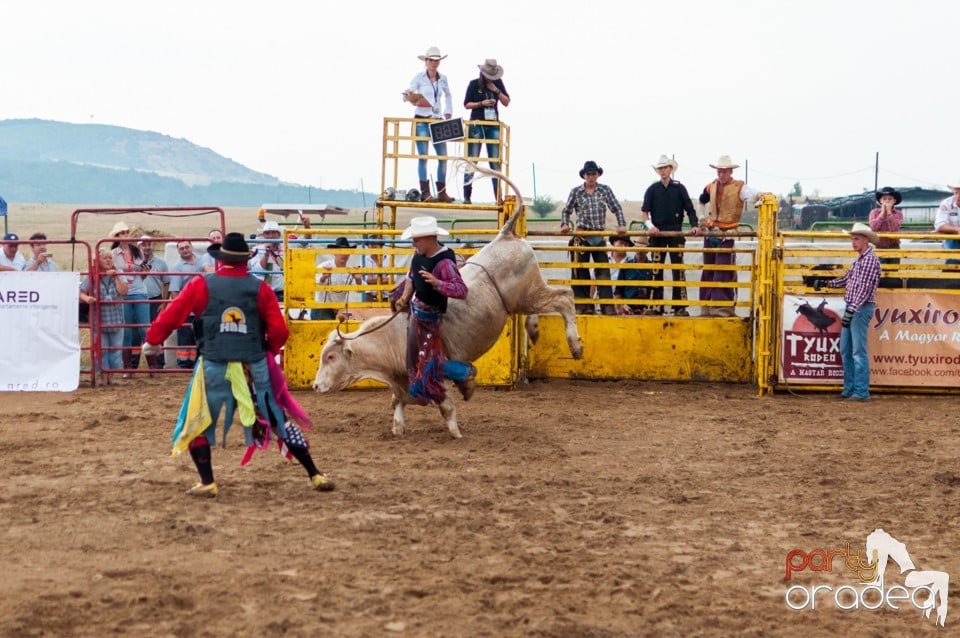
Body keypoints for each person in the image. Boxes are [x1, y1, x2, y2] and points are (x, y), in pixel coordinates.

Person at [141, 232, 335, 496]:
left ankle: (208, 481)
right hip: (252, 366)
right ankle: (315, 473)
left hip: (213, 363)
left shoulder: (201, 285)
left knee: (195, 421)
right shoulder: (261, 288)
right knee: (278, 419)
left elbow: (172, 315)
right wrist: (268, 348)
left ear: (220, 259)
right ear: (246, 260)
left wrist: (152, 340)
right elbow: (280, 331)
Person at [394, 216, 477, 403]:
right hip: (417, 313)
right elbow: (411, 276)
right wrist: (404, 298)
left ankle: (464, 372)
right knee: (417, 359)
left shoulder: (444, 263)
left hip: (430, 318)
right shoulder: (419, 255)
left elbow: (461, 290)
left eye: (417, 239)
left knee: (428, 363)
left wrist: (437, 283)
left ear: (430, 238)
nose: (414, 243)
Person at [815, 223, 881, 401]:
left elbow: (864, 289)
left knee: (856, 351)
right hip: (855, 307)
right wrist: (826, 283)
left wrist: (851, 311)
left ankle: (860, 391)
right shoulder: (861, 260)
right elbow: (847, 279)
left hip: (858, 307)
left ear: (866, 240)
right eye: (852, 239)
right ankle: (852, 388)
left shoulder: (869, 260)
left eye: (857, 239)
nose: (853, 242)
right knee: (848, 350)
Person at [697, 155, 766, 316]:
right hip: (712, 232)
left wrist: (761, 195)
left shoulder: (739, 187)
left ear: (730, 171)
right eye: (719, 171)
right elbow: (701, 200)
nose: (720, 174)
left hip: (727, 233)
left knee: (723, 271)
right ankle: (707, 308)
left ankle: (723, 309)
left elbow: (753, 194)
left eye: (723, 171)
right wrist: (702, 218)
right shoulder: (711, 186)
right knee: (709, 271)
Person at [560, 160, 627, 315]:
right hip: (582, 235)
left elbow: (616, 207)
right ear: (584, 176)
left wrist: (622, 224)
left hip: (598, 234)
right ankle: (583, 305)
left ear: (598, 175)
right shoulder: (576, 192)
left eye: (593, 174)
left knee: (603, 270)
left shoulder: (604, 190)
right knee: (580, 271)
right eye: (588, 174)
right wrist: (564, 224)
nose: (591, 177)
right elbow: (566, 210)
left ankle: (606, 306)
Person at [641, 155, 700, 316]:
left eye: (666, 168)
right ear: (658, 171)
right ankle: (655, 306)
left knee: (678, 269)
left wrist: (694, 225)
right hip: (658, 234)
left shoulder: (679, 188)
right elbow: (645, 213)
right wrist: (651, 227)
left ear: (670, 169)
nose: (663, 171)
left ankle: (679, 306)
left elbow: (690, 209)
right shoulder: (652, 189)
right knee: (656, 269)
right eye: (661, 168)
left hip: (676, 232)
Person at [403, 45, 454, 203]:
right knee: (423, 156)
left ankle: (442, 192)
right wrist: (411, 97)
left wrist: (448, 112)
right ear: (426, 61)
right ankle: (425, 192)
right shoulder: (419, 77)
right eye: (431, 60)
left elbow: (448, 95)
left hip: (437, 119)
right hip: (422, 118)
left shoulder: (443, 78)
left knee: (443, 157)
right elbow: (407, 94)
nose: (434, 63)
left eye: (436, 60)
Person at [462, 58, 510, 204]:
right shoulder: (473, 84)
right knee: (472, 160)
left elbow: (507, 102)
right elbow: (466, 104)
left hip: (493, 125)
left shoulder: (498, 83)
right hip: (476, 123)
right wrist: (481, 104)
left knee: (495, 162)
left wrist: (496, 90)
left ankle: (497, 197)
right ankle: (467, 196)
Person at [79, 249, 129, 386]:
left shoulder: (119, 273)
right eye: (105, 258)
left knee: (115, 350)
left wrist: (116, 277)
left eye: (110, 258)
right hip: (98, 320)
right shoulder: (92, 275)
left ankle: (111, 377)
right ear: (98, 261)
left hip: (116, 319)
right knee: (102, 350)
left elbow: (123, 291)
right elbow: (80, 292)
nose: (108, 260)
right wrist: (87, 298)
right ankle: (103, 376)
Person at [109, 221, 151, 377]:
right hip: (124, 293)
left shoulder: (137, 251)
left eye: (126, 232)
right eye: (121, 233)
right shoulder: (113, 254)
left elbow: (142, 274)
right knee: (126, 331)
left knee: (144, 329)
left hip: (139, 290)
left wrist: (145, 272)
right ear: (117, 237)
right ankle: (128, 368)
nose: (124, 236)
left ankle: (152, 367)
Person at [135, 235, 170, 371]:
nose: (147, 247)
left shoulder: (161, 263)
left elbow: (167, 282)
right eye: (144, 244)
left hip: (155, 300)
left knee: (156, 331)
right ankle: (132, 365)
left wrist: (164, 302)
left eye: (149, 244)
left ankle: (157, 365)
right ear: (139, 246)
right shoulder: (134, 263)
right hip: (138, 299)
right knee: (136, 333)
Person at [170, 239, 204, 369]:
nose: (185, 250)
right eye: (181, 248)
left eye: (186, 247)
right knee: (185, 336)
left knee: (199, 335)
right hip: (187, 308)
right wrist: (178, 309)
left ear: (191, 247)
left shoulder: (203, 261)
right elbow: (174, 290)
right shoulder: (177, 267)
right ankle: (184, 363)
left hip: (201, 307)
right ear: (178, 251)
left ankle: (197, 362)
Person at [316, 237, 362, 320]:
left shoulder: (350, 270)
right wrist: (323, 278)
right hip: (321, 308)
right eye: (341, 251)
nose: (344, 254)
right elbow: (314, 281)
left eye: (346, 251)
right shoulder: (324, 267)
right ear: (335, 252)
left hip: (338, 309)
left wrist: (358, 279)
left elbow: (360, 290)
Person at [610, 235, 653, 315]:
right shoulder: (626, 266)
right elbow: (618, 289)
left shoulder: (652, 267)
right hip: (627, 308)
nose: (639, 251)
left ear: (647, 250)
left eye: (642, 249)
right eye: (637, 248)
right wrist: (617, 308)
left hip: (646, 309)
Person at [249, 220, 285, 301]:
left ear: (279, 234)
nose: (271, 236)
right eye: (267, 233)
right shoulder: (257, 250)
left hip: (281, 294)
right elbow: (257, 270)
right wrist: (266, 253)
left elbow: (304, 243)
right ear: (264, 235)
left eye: (273, 233)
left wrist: (307, 227)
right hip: (264, 294)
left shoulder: (285, 248)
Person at [934, 181, 960, 265]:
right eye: (956, 193)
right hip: (952, 239)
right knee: (954, 257)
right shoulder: (946, 203)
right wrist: (957, 229)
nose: (958, 196)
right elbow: (939, 225)